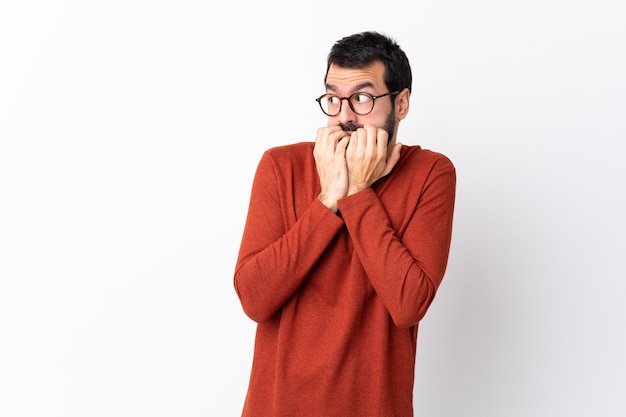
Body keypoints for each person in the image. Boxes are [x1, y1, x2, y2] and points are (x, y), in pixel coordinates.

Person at [233, 31, 456, 417]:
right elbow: (254, 299)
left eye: (363, 98)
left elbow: (408, 304)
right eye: (334, 98)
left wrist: (356, 192)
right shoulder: (280, 166)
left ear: (400, 103)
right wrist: (328, 200)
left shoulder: (430, 174)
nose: (344, 115)